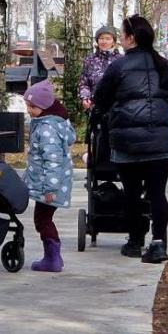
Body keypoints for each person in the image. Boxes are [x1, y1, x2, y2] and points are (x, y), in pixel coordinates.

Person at [92, 14, 168, 264]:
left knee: (131, 193)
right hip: (160, 142)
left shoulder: (118, 67)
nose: (120, 39)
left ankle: (134, 241)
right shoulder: (165, 65)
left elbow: (101, 99)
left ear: (131, 38)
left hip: (128, 142)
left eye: (122, 35)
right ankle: (159, 242)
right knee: (157, 193)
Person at [23, 79, 76, 272]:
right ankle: (53, 257)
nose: (28, 110)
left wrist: (50, 188)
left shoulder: (47, 129)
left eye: (32, 107)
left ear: (44, 108)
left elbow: (53, 160)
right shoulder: (52, 123)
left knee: (43, 220)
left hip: (50, 186)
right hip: (48, 183)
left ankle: (52, 258)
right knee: (43, 219)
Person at [79, 26, 122, 111]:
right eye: (101, 38)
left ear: (113, 41)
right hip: (95, 107)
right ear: (97, 41)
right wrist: (85, 97)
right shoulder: (89, 60)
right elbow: (84, 82)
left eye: (108, 38)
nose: (104, 41)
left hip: (117, 109)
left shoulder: (121, 60)